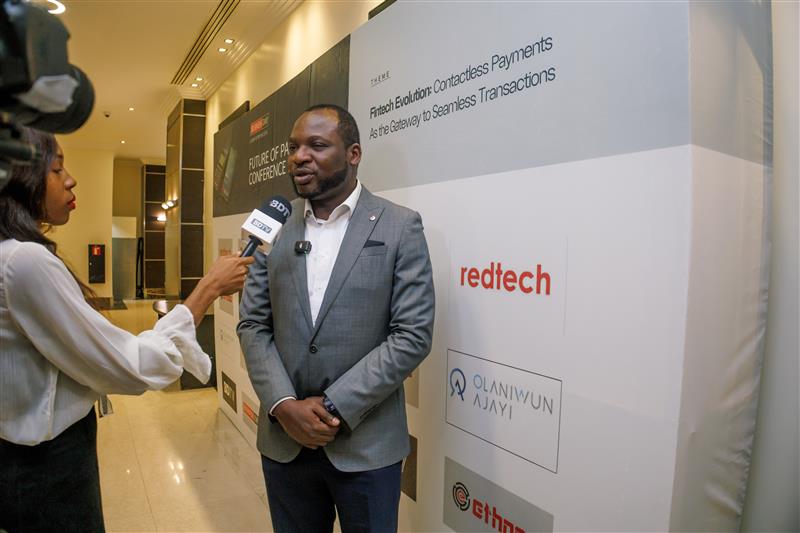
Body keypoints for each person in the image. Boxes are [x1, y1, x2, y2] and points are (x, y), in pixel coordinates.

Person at [0, 127, 254, 533]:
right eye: (57, 169)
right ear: (20, 178)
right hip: (45, 467)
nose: (70, 180)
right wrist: (208, 288)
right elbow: (130, 365)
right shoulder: (23, 261)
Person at [238, 104, 435, 532]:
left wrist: (331, 409)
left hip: (366, 446)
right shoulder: (271, 227)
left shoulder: (400, 226)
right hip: (285, 442)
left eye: (316, 145)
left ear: (353, 153)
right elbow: (252, 324)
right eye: (293, 147)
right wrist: (284, 406)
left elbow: (412, 335)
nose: (299, 157)